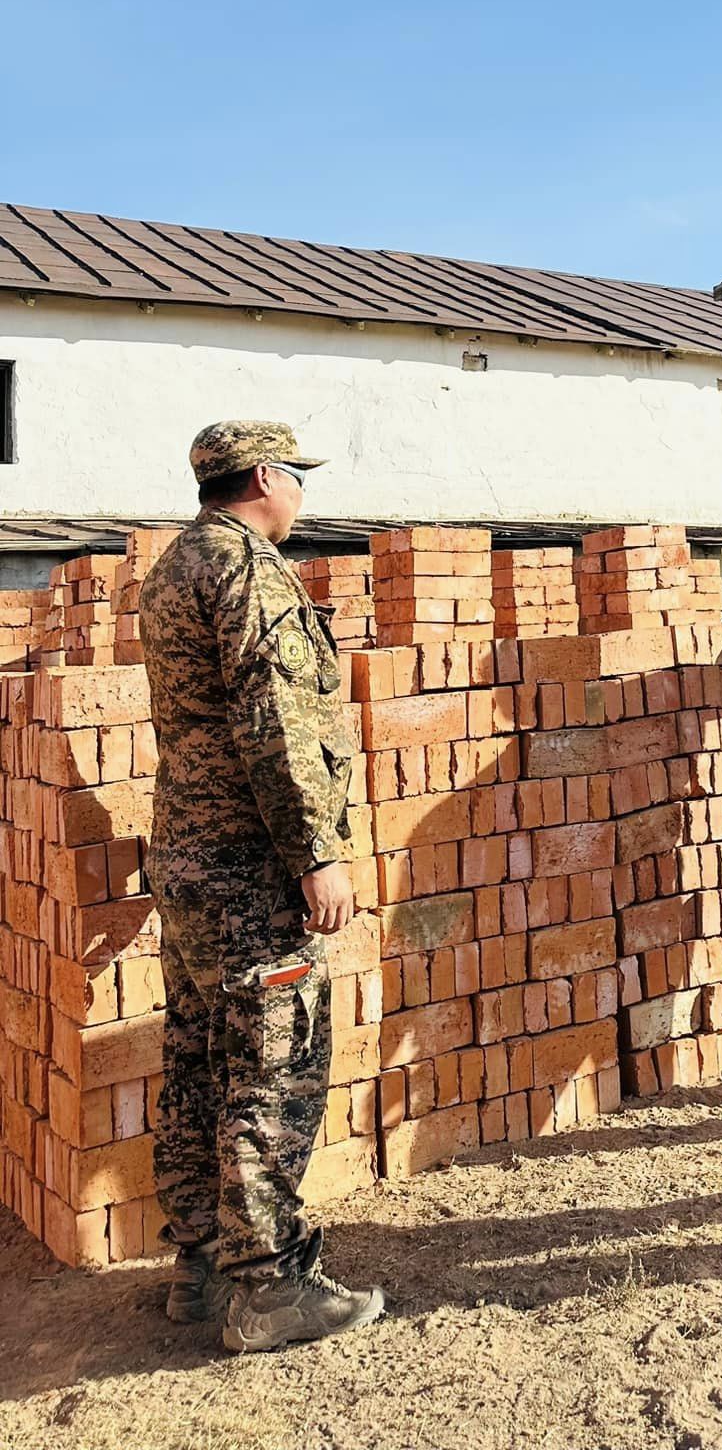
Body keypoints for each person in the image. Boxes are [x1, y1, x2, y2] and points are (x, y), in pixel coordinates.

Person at [139, 420, 385, 1350]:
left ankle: (200, 1272)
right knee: (272, 1070)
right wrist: (316, 853)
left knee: (199, 1064)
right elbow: (274, 723)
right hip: (250, 873)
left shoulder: (172, 566)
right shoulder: (247, 569)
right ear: (266, 477)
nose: (301, 496)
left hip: (191, 868)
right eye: (297, 479)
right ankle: (271, 1287)